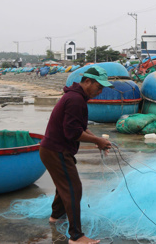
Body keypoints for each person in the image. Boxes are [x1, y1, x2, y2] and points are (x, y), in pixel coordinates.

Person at [40, 66, 113, 244]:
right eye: (98, 87)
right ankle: (76, 236)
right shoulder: (75, 99)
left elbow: (80, 127)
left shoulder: (77, 97)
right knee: (73, 188)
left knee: (63, 186)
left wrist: (97, 139)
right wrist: (97, 141)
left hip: (53, 149)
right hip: (57, 150)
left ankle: (56, 217)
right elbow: (72, 133)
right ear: (87, 81)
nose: (100, 91)